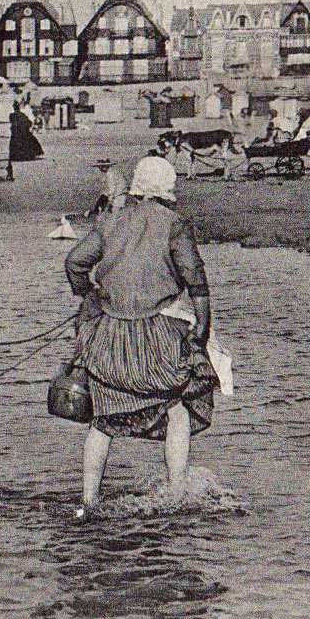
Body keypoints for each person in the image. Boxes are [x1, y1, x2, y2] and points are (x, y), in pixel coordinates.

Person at [63, 156, 216, 517]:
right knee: (177, 407)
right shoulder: (175, 224)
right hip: (159, 338)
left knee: (102, 419)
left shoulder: (111, 219)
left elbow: (74, 262)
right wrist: (202, 330)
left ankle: (88, 501)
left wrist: (90, 293)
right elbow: (197, 283)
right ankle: (177, 494)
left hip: (110, 336)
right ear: (167, 185)